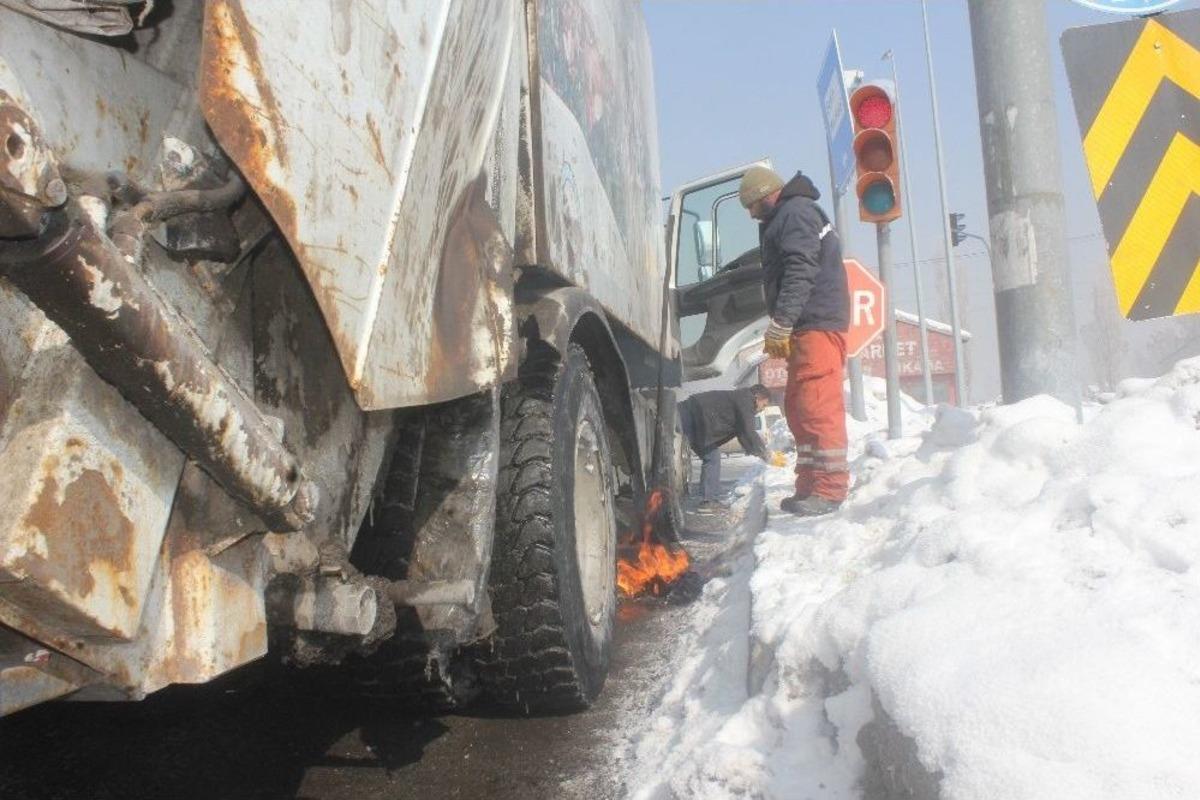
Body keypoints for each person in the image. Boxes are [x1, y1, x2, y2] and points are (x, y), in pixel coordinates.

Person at [739, 166, 850, 517]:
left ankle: (830, 489)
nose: (751, 214)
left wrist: (782, 321)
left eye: (752, 206)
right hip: (807, 324)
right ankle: (809, 485)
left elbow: (801, 268)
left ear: (765, 195)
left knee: (817, 405)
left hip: (814, 322)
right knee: (800, 408)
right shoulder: (788, 215)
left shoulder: (795, 213)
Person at [677, 385, 772, 512]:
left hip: (695, 418)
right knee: (712, 458)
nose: (761, 410)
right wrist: (764, 452)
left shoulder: (743, 399)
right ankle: (708, 501)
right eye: (764, 405)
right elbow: (749, 431)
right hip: (692, 414)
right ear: (758, 397)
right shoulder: (746, 400)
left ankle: (709, 499)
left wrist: (758, 452)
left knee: (712, 457)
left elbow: (742, 434)